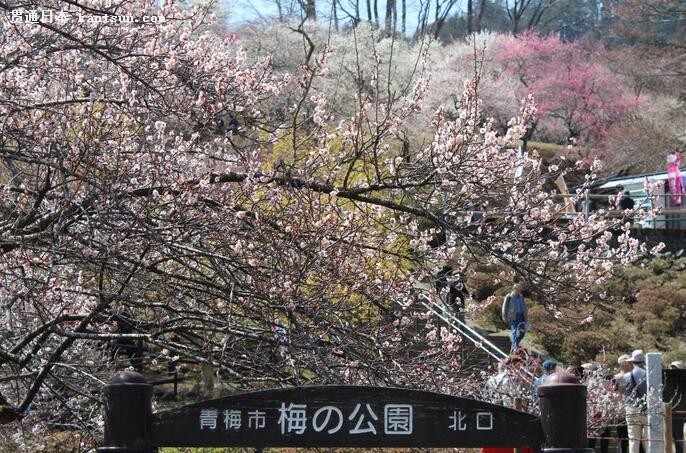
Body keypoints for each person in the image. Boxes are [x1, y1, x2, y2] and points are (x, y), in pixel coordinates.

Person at [623, 350, 648, 453]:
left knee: (633, 440)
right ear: (643, 361)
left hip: (632, 409)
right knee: (648, 440)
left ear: (632, 362)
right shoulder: (648, 374)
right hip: (647, 408)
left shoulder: (626, 376)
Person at [613, 354, 633, 453]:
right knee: (623, 438)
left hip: (625, 410)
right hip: (623, 411)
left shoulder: (617, 378)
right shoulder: (617, 378)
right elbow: (616, 395)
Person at [502, 284, 528, 352]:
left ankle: (514, 345)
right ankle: (515, 346)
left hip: (521, 316)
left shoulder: (521, 297)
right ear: (514, 289)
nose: (520, 291)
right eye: (518, 289)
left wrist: (526, 317)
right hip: (513, 316)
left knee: (522, 332)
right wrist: (504, 317)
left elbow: (524, 307)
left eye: (520, 289)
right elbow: (504, 307)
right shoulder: (509, 296)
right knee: (514, 331)